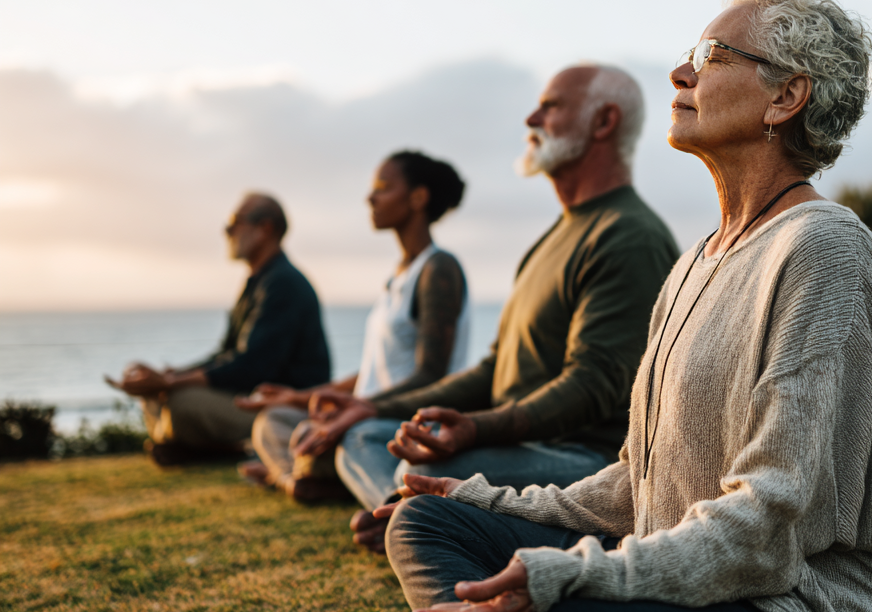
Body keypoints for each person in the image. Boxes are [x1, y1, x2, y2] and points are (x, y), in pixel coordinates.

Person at [382, 0, 872, 612]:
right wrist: (482, 499)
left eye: (710, 56)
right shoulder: (693, 265)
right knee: (425, 523)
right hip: (688, 575)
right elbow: (639, 481)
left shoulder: (824, 252)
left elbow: (770, 522)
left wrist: (576, 580)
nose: (681, 74)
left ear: (786, 99)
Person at [308, 64, 679, 552]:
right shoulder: (551, 240)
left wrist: (476, 429)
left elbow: (593, 386)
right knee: (364, 435)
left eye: (550, 106)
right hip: (518, 445)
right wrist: (369, 405)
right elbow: (493, 369)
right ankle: (419, 519)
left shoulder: (628, 236)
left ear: (603, 122)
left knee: (424, 468)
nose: (531, 117)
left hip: (583, 458)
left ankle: (425, 520)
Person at [238, 151, 470, 502]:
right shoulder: (398, 275)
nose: (370, 197)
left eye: (384, 187)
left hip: (403, 423)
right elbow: (375, 371)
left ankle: (404, 513)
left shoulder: (438, 269)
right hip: (369, 414)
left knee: (344, 437)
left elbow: (431, 375)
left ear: (418, 197)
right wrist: (299, 396)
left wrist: (352, 414)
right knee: (277, 420)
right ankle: (304, 479)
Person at [109, 193, 331, 467]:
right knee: (159, 394)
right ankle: (207, 449)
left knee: (181, 402)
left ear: (265, 229)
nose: (227, 232)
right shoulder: (259, 282)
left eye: (233, 224)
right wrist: (169, 375)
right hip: (249, 397)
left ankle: (226, 451)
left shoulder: (283, 284)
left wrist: (172, 383)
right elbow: (226, 354)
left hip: (283, 406)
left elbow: (253, 367)